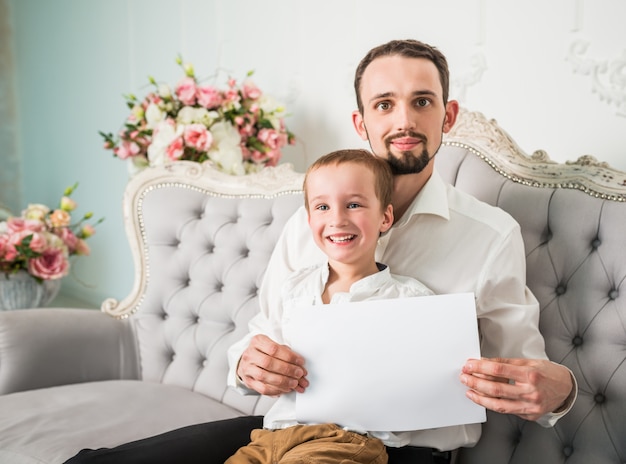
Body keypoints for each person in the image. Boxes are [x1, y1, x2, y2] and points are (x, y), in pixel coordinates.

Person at [66, 38, 576, 464]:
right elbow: (263, 334)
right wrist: (249, 364)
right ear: (361, 122)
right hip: (284, 433)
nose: (405, 119)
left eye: (423, 101)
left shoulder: (490, 234)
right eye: (384, 104)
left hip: (402, 452)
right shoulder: (306, 223)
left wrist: (558, 391)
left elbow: (526, 368)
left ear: (449, 115)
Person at [225, 148, 434, 464]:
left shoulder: (410, 300)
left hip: (351, 440)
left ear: (385, 217)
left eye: (353, 205)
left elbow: (429, 381)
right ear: (309, 219)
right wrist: (260, 366)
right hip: (274, 435)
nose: (337, 219)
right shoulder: (295, 287)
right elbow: (265, 341)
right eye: (322, 206)